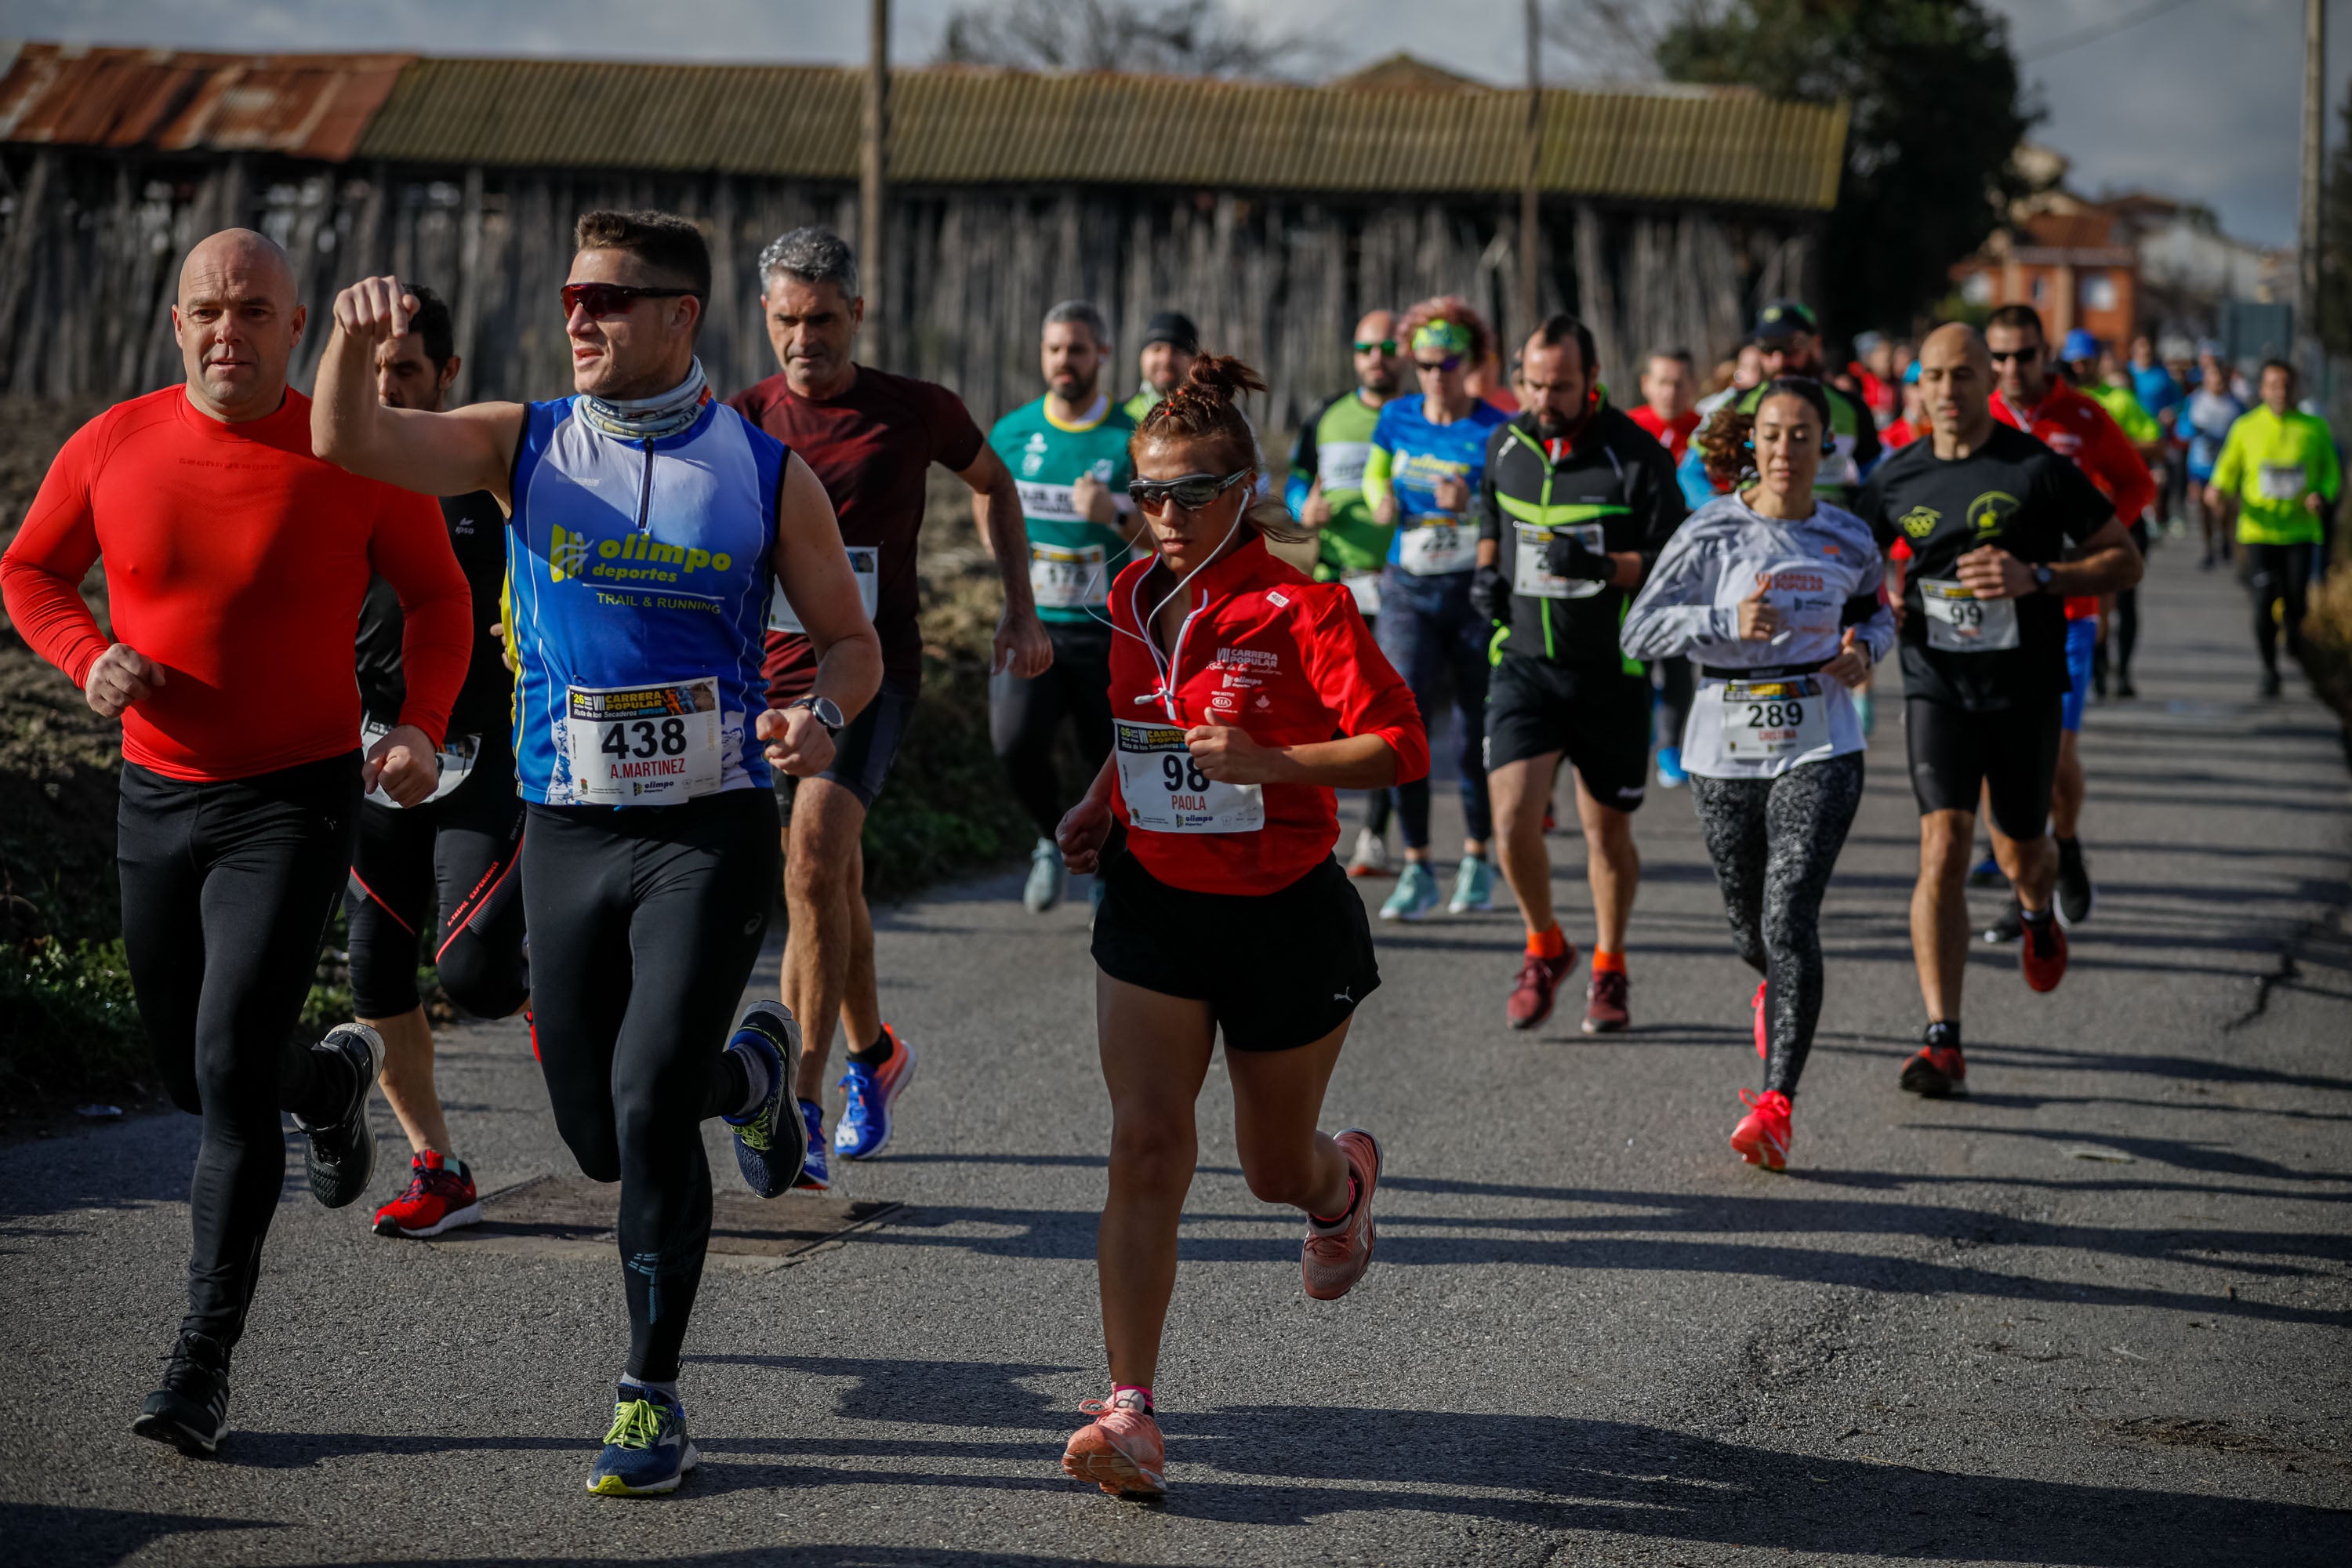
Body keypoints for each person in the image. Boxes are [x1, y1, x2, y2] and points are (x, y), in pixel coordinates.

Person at [312, 209, 885, 1496]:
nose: (577, 317)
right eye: (572, 296)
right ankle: (749, 1082)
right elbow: (351, 437)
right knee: (593, 1137)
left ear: (680, 315)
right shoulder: (526, 443)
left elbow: (854, 643)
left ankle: (648, 1392)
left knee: (640, 1101)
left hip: (708, 826)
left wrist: (823, 715)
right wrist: (353, 344)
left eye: (608, 300)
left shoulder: (761, 469)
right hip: (566, 827)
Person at [0, 229, 472, 1455]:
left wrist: (420, 727)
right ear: (175, 323)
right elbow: (32, 568)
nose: (230, 332)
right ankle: (329, 1080)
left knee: (222, 1063)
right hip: (156, 793)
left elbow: (438, 597)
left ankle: (199, 1361)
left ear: (296, 323)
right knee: (186, 1072)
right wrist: (84, 655)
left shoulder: (349, 448)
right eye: (209, 310)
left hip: (296, 798)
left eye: (255, 311)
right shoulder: (115, 441)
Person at [1051, 355, 1427, 1501]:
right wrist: (1100, 801)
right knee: (1147, 1144)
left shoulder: (1306, 609)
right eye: (1146, 493)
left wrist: (1272, 761)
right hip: (1158, 902)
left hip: (1284, 915)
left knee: (1272, 1170)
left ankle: (1339, 1187)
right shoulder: (1128, 597)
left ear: (1244, 488)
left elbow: (1399, 746)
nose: (1162, 515)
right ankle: (1131, 1409)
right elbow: (1141, 728)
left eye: (1189, 493)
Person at [729, 227, 1047, 1192]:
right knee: (834, 884)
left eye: (822, 319)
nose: (804, 339)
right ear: (766, 317)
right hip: (762, 680)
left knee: (814, 858)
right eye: (787, 320)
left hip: (870, 668)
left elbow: (995, 486)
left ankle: (805, 1103)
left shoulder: (915, 411)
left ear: (857, 314)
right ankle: (877, 1056)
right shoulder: (739, 419)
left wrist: (1018, 604)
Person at [1855, 325, 2142, 1099]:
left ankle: (2037, 908)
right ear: (1916, 387)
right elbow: (1853, 555)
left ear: (1991, 382)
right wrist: (1880, 595)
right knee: (1942, 847)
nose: (1948, 391)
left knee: (2023, 851)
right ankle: (1941, 1037)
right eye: (1934, 376)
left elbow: (2125, 555)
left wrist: (2038, 573)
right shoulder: (1896, 478)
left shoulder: (2037, 470)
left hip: (2022, 689)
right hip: (1936, 683)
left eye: (1964, 375)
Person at [1621, 377, 1893, 1168]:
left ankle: (1776, 1103)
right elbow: (1640, 631)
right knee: (1752, 930)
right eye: (1772, 434)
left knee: (1789, 917)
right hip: (1724, 743)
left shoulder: (1848, 536)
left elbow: (1876, 610)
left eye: (1801, 434)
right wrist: (1722, 619)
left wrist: (1865, 649)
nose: (1785, 449)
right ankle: (1772, 987)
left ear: (1824, 445)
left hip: (1822, 739)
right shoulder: (1710, 530)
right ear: (1752, 442)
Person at [342, 284, 532, 1240]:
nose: (386, 386)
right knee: (375, 973)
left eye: (405, 370)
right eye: (373, 370)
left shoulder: (485, 477)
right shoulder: (338, 473)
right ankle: (438, 1165)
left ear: (447, 374)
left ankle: (546, 978)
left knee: (477, 974)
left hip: (485, 749)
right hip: (378, 754)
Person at [1470, 314, 1686, 1032]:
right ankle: (1545, 945)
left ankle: (1610, 965)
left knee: (1606, 837)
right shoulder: (1506, 440)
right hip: (1525, 663)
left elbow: (1674, 564)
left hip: (1610, 671)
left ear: (1593, 380)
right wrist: (1485, 572)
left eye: (1560, 385)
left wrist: (1601, 567)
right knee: (1510, 823)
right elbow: (1489, 513)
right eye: (1533, 382)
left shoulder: (1636, 457)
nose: (1544, 397)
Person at [1981, 303, 2154, 937]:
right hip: (1988, 612)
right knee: (1995, 760)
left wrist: (2099, 537)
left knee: (2053, 757)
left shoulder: (2083, 416)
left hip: (2069, 610)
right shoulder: (1979, 415)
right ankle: (2023, 890)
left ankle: (2069, 846)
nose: (2009, 369)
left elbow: (2137, 485)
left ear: (2045, 353)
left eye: (2022, 355)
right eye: (1997, 357)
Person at [984, 299, 1141, 916]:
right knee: (1013, 744)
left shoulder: (1131, 436)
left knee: (1109, 757)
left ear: (1102, 355)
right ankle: (1051, 839)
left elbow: (1169, 535)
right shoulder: (1014, 432)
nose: (1063, 362)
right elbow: (987, 500)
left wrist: (1117, 515)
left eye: (1077, 349)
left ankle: (1110, 867)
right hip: (1034, 625)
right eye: (1054, 349)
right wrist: (1008, 572)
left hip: (1109, 632)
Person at [1363, 298, 1512, 920]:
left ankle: (1478, 854)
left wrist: (1474, 501)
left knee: (1473, 733)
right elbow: (1375, 477)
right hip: (1408, 589)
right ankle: (1419, 861)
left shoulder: (1496, 429)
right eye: (1423, 364)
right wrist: (1378, 502)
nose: (1434, 376)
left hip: (1472, 596)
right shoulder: (1396, 418)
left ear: (1471, 363)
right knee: (1405, 726)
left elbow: (1511, 512)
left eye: (1447, 364)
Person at [1289, 310, 1405, 877]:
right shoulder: (1328, 417)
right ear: (1354, 355)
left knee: (1380, 716)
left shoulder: (1418, 419)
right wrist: (1300, 510)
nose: (1376, 358)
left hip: (1401, 587)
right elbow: (1291, 480)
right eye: (1366, 348)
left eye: (1387, 347)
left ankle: (1375, 835)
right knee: (1323, 716)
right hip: (1333, 587)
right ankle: (1319, 828)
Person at [2208, 360, 2342, 696]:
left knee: (2296, 601)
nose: (2280, 391)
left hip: (2299, 531)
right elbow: (2227, 470)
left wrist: (2321, 494)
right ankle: (2269, 670)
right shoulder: (2246, 427)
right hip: (2258, 531)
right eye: (2273, 385)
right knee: (2263, 599)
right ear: (2262, 389)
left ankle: (2294, 631)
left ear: (2295, 388)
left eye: (2286, 385)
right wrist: (2217, 490)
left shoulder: (2314, 428)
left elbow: (2332, 473)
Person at [1629, 348, 1702, 789]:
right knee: (1635, 654)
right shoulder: (1628, 429)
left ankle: (1672, 745)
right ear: (1646, 384)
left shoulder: (1706, 433)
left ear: (1693, 388)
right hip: (1636, 561)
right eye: (1662, 382)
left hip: (1689, 564)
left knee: (1677, 658)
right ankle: (1639, 730)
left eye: (1679, 383)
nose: (1670, 392)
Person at [2180, 348, 2248, 569]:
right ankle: (2209, 548)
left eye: (2220, 379)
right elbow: (2183, 429)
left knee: (2224, 508)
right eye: (2212, 379)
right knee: (2203, 509)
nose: (2216, 383)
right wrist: (2195, 431)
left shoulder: (2235, 406)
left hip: (2226, 467)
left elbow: (2246, 431)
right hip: (2200, 464)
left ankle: (2226, 539)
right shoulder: (2195, 401)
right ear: (2206, 380)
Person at [1121, 311, 1200, 423]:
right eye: (1157, 349)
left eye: (1177, 351)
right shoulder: (1120, 418)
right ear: (1142, 356)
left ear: (1194, 362)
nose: (1166, 359)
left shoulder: (1209, 420)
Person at [1882, 360, 1926, 450]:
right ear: (1905, 392)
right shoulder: (1890, 436)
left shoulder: (1946, 431)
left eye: (1926, 386)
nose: (1922, 395)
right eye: (1916, 386)